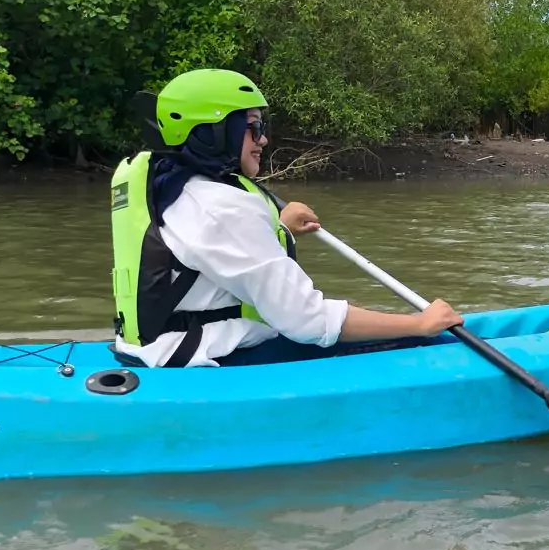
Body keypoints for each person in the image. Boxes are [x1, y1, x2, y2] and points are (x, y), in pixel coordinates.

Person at [109, 68, 463, 368]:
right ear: (210, 133)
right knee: (410, 343)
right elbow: (306, 320)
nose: (263, 138)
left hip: (149, 351)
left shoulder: (170, 185)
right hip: (202, 361)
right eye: (251, 127)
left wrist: (279, 228)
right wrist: (419, 323)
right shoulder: (222, 208)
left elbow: (209, 251)